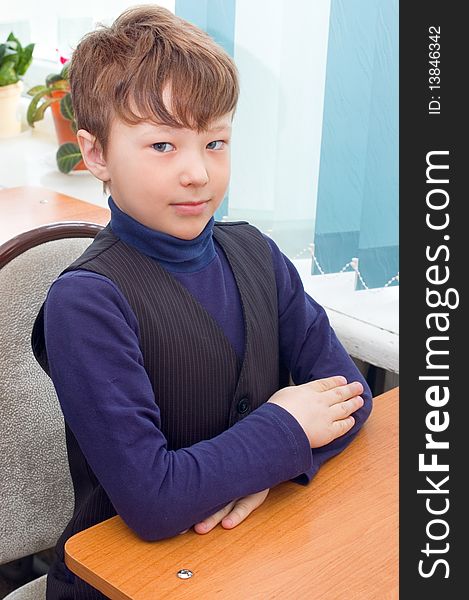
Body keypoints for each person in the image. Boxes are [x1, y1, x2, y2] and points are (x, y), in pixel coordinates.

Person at [31, 5, 372, 599]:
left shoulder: (256, 254)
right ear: (96, 155)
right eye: (163, 145)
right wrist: (288, 430)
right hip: (123, 583)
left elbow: (350, 396)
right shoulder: (86, 304)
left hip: (247, 556)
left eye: (215, 141)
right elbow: (153, 499)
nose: (198, 172)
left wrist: (273, 465)